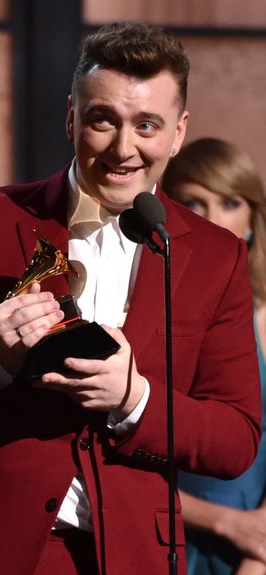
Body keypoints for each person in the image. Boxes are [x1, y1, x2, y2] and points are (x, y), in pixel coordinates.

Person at [0, 23, 261, 575]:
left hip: (129, 557)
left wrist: (135, 399)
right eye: (104, 120)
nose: (125, 148)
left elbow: (237, 438)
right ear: (72, 116)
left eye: (148, 125)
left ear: (178, 132)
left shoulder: (217, 256)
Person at [163, 137, 266, 575]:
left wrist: (256, 553)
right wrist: (227, 522)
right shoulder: (146, 315)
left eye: (229, 202)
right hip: (156, 535)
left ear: (251, 219)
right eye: (193, 202)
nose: (213, 219)